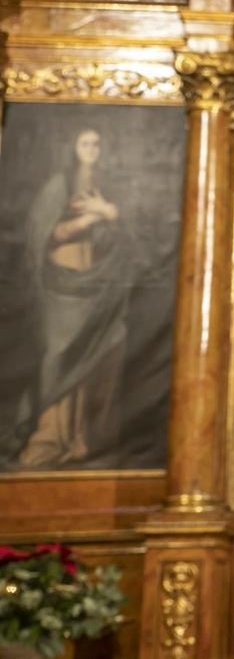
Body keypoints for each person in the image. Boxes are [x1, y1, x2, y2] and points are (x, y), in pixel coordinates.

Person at [8, 127, 131, 468]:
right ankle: (50, 437)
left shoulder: (105, 188)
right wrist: (95, 215)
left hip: (95, 288)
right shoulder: (57, 187)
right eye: (85, 143)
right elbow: (49, 233)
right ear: (73, 148)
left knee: (98, 356)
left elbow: (123, 234)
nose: (91, 149)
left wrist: (109, 213)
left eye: (97, 143)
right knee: (59, 358)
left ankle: (82, 439)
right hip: (61, 290)